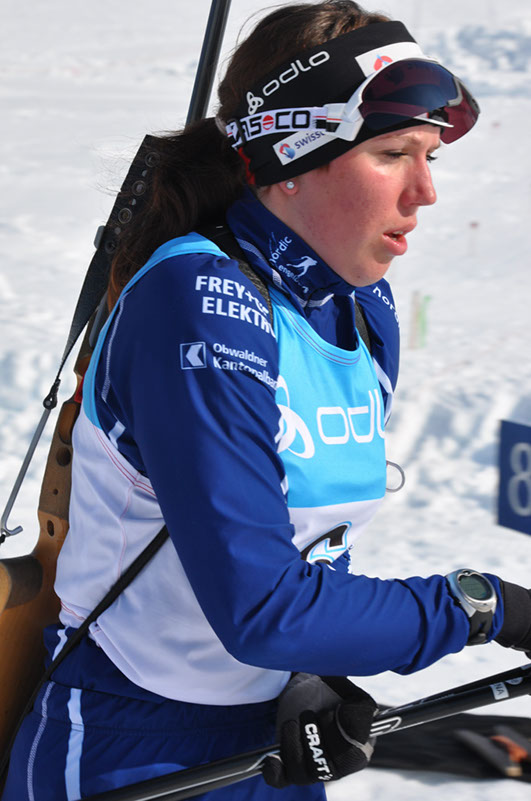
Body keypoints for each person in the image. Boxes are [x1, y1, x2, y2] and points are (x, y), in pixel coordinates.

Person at [3, 1, 531, 799]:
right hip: (130, 747)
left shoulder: (360, 309)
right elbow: (262, 607)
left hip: (267, 743)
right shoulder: (198, 300)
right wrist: (483, 607)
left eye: (429, 156)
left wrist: (311, 672)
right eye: (392, 153)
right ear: (290, 155)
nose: (424, 191)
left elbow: (312, 545)